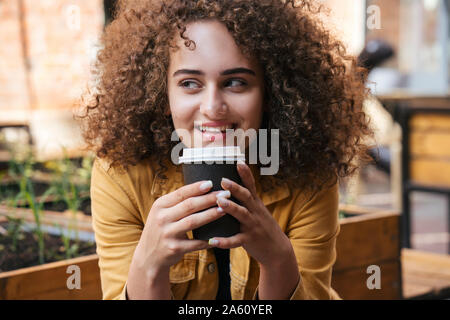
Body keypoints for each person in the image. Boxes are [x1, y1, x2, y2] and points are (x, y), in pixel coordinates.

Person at [78, 0, 373, 300]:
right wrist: (148, 267)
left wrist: (278, 261)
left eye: (235, 82)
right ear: (162, 93)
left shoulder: (311, 176)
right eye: (190, 83)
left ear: (270, 92)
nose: (212, 108)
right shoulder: (121, 174)